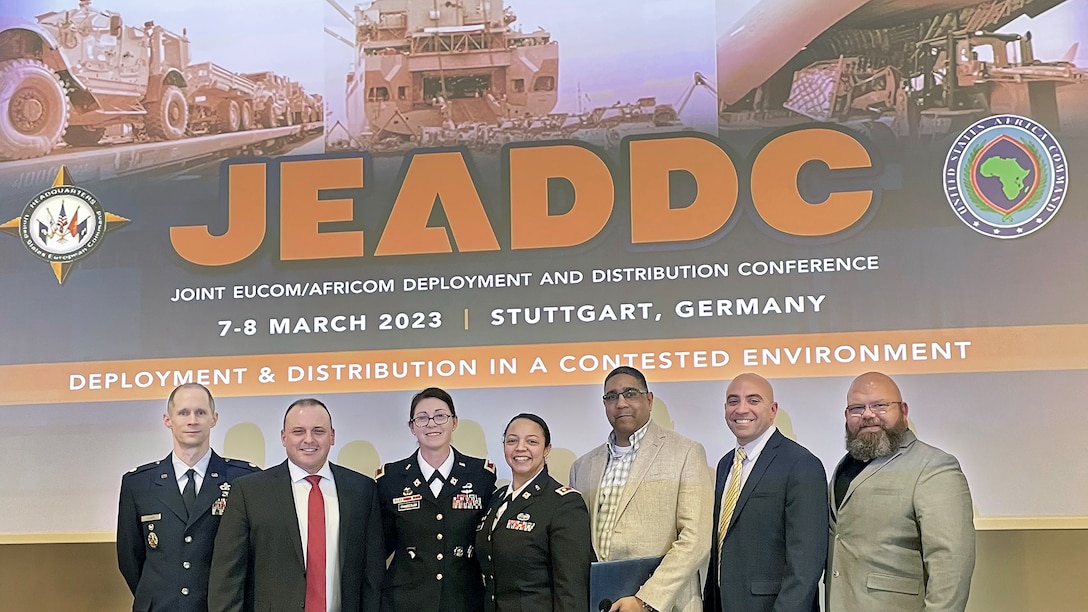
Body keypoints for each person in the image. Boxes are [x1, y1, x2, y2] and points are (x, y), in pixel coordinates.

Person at [208, 398, 384, 612]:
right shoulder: (249, 492)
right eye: (298, 431)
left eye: (318, 431)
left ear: (332, 436)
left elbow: (372, 576)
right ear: (284, 437)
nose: (309, 440)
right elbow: (227, 578)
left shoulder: (362, 490)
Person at [827, 372, 975, 611]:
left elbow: (951, 562)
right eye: (857, 408)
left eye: (879, 405)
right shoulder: (845, 466)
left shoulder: (933, 466)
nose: (867, 414)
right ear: (846, 416)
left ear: (903, 412)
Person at [569, 366, 713, 612]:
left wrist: (645, 599)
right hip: (602, 603)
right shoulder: (582, 467)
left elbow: (695, 539)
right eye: (611, 396)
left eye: (630, 393)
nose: (621, 402)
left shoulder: (686, 452)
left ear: (649, 399)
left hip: (664, 604)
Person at [116, 383, 258, 612]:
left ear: (214, 418)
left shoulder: (243, 480)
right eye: (183, 413)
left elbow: (252, 557)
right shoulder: (139, 484)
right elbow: (130, 560)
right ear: (167, 420)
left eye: (200, 412)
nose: (192, 420)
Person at [703, 373, 827, 612]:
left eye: (753, 400)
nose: (741, 409)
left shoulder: (801, 464)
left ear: (773, 409)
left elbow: (806, 563)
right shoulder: (725, 464)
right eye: (733, 401)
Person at [376, 387, 497, 612]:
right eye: (422, 418)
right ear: (412, 427)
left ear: (454, 422)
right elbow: (380, 547)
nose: (432, 424)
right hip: (405, 602)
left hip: (464, 600)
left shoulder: (481, 475)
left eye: (440, 416)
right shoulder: (390, 478)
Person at [475, 413, 594, 612]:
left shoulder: (564, 503)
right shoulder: (496, 499)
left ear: (547, 449)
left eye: (532, 441)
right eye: (512, 440)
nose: (521, 448)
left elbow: (571, 588)